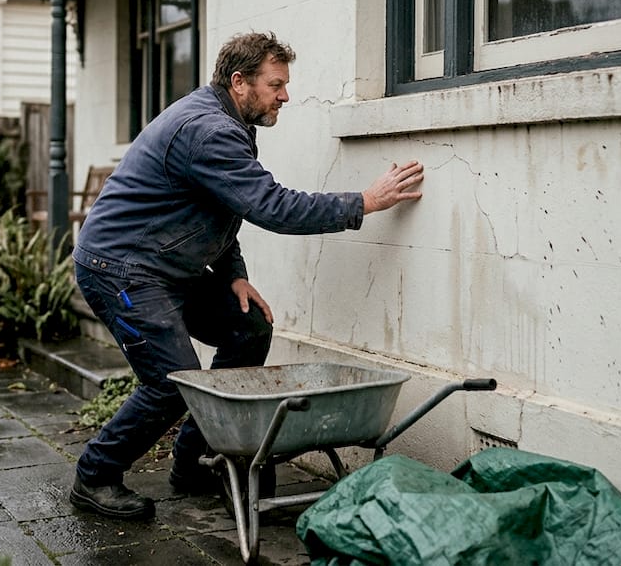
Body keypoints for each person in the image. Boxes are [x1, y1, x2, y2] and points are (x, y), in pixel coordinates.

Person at [68, 31, 424, 520]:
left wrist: (234, 274)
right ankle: (95, 475)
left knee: (247, 326)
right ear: (240, 82)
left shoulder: (230, 122)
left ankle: (194, 461)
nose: (285, 95)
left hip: (168, 264)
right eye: (276, 84)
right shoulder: (209, 131)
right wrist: (364, 201)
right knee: (171, 381)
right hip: (122, 269)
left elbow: (221, 206)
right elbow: (272, 207)